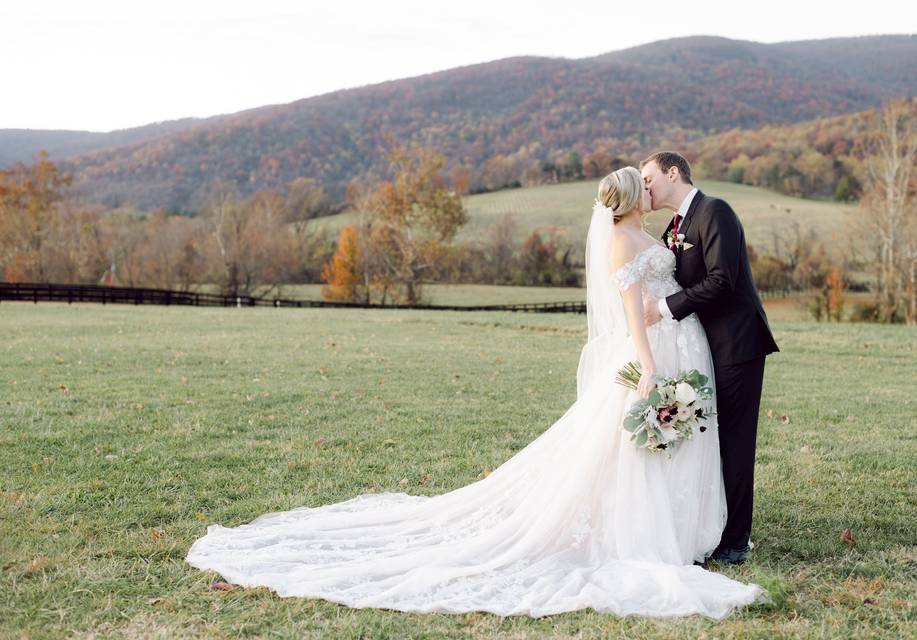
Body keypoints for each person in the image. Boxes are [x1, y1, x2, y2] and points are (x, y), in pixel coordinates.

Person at [185, 166, 765, 619]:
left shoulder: (658, 229)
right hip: (654, 352)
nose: (647, 187)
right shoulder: (621, 241)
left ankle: (693, 530)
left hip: (686, 345)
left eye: (648, 179)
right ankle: (655, 533)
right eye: (640, 183)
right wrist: (645, 362)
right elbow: (632, 308)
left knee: (679, 442)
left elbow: (693, 277)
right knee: (640, 447)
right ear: (628, 197)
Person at [639, 152, 779, 564]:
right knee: (709, 439)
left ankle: (735, 541)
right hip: (702, 347)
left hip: (737, 344)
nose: (645, 186)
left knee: (734, 442)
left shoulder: (715, 211)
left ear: (673, 172)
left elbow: (722, 281)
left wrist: (663, 309)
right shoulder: (676, 225)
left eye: (648, 178)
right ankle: (712, 526)